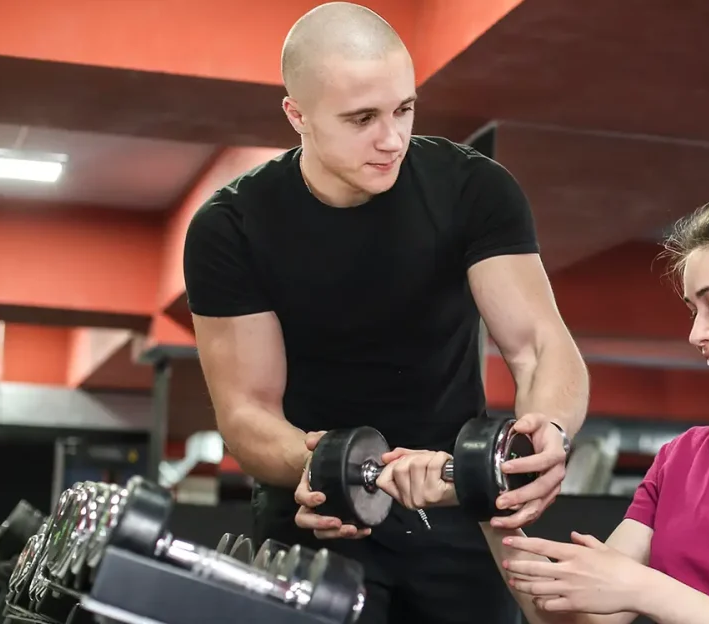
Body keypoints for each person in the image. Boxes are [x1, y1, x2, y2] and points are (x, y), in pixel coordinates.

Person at [180, 3, 589, 623]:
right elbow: (246, 411)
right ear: (297, 115)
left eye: (404, 109)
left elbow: (538, 345)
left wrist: (548, 434)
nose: (391, 138)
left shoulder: (471, 189)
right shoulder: (232, 227)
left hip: (450, 494)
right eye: (362, 118)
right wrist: (332, 467)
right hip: (318, 507)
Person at [373, 193, 709, 623]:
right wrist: (485, 497)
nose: (696, 332)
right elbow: (579, 620)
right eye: (692, 309)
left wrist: (646, 589)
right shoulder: (683, 457)